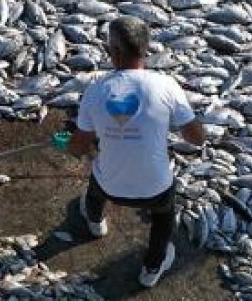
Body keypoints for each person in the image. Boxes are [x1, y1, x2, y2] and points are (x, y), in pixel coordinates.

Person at [61, 15, 207, 288]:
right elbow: (198, 139)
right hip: (156, 189)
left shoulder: (96, 90)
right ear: (146, 49)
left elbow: (77, 148)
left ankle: (95, 223)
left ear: (114, 52)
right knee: (164, 218)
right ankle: (152, 268)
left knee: (95, 186)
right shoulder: (166, 85)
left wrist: (72, 142)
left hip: (110, 186)